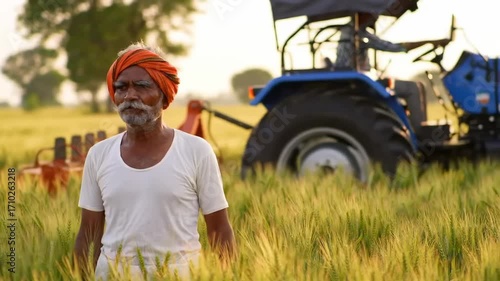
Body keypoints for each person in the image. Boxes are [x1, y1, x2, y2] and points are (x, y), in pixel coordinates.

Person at [73, 42, 236, 281]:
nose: (130, 95)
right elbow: (88, 234)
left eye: (141, 86)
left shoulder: (196, 151)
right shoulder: (99, 155)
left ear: (164, 96)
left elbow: (220, 230)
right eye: (121, 88)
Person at [335, 12, 449, 71]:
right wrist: (431, 42)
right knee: (412, 88)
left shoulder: (348, 30)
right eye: (373, 14)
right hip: (353, 75)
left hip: (350, 72)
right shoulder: (359, 34)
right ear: (364, 14)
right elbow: (396, 47)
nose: (376, 18)